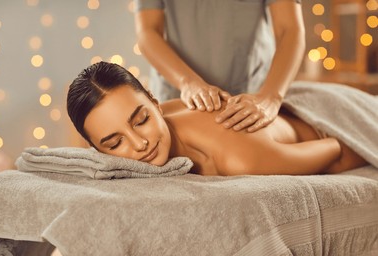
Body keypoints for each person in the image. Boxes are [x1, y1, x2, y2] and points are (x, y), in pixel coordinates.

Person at [67, 62, 367, 176]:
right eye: (115, 142)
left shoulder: (239, 158)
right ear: (95, 149)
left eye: (141, 120)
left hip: (325, 116)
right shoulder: (162, 117)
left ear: (155, 103)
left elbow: (336, 149)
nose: (140, 143)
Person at [134, 0, 305, 133]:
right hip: (177, 95)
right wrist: (187, 82)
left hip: (252, 97)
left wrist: (270, 97)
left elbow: (289, 30)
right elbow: (148, 32)